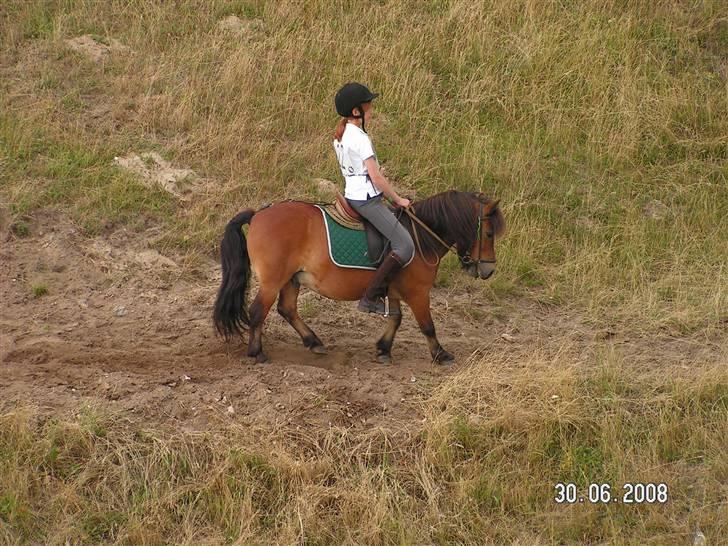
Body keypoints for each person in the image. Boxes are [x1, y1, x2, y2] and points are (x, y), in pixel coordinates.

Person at [332, 82, 415, 315]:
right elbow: (376, 178)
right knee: (405, 245)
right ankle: (370, 296)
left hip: (354, 192)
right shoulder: (360, 138)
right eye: (368, 105)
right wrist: (398, 199)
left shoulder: (341, 134)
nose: (372, 108)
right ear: (357, 111)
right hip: (366, 199)